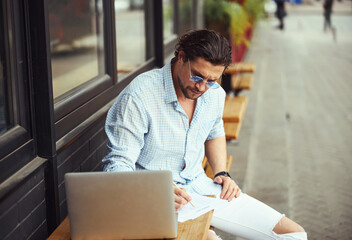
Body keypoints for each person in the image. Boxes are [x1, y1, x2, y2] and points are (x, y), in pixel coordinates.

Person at [102, 29, 307, 240]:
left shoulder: (214, 94)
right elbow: (116, 167)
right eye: (197, 76)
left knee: (295, 234)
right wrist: (154, 190)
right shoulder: (139, 97)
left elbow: (215, 131)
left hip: (201, 187)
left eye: (211, 80)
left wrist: (221, 173)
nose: (202, 87)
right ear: (181, 57)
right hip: (156, 201)